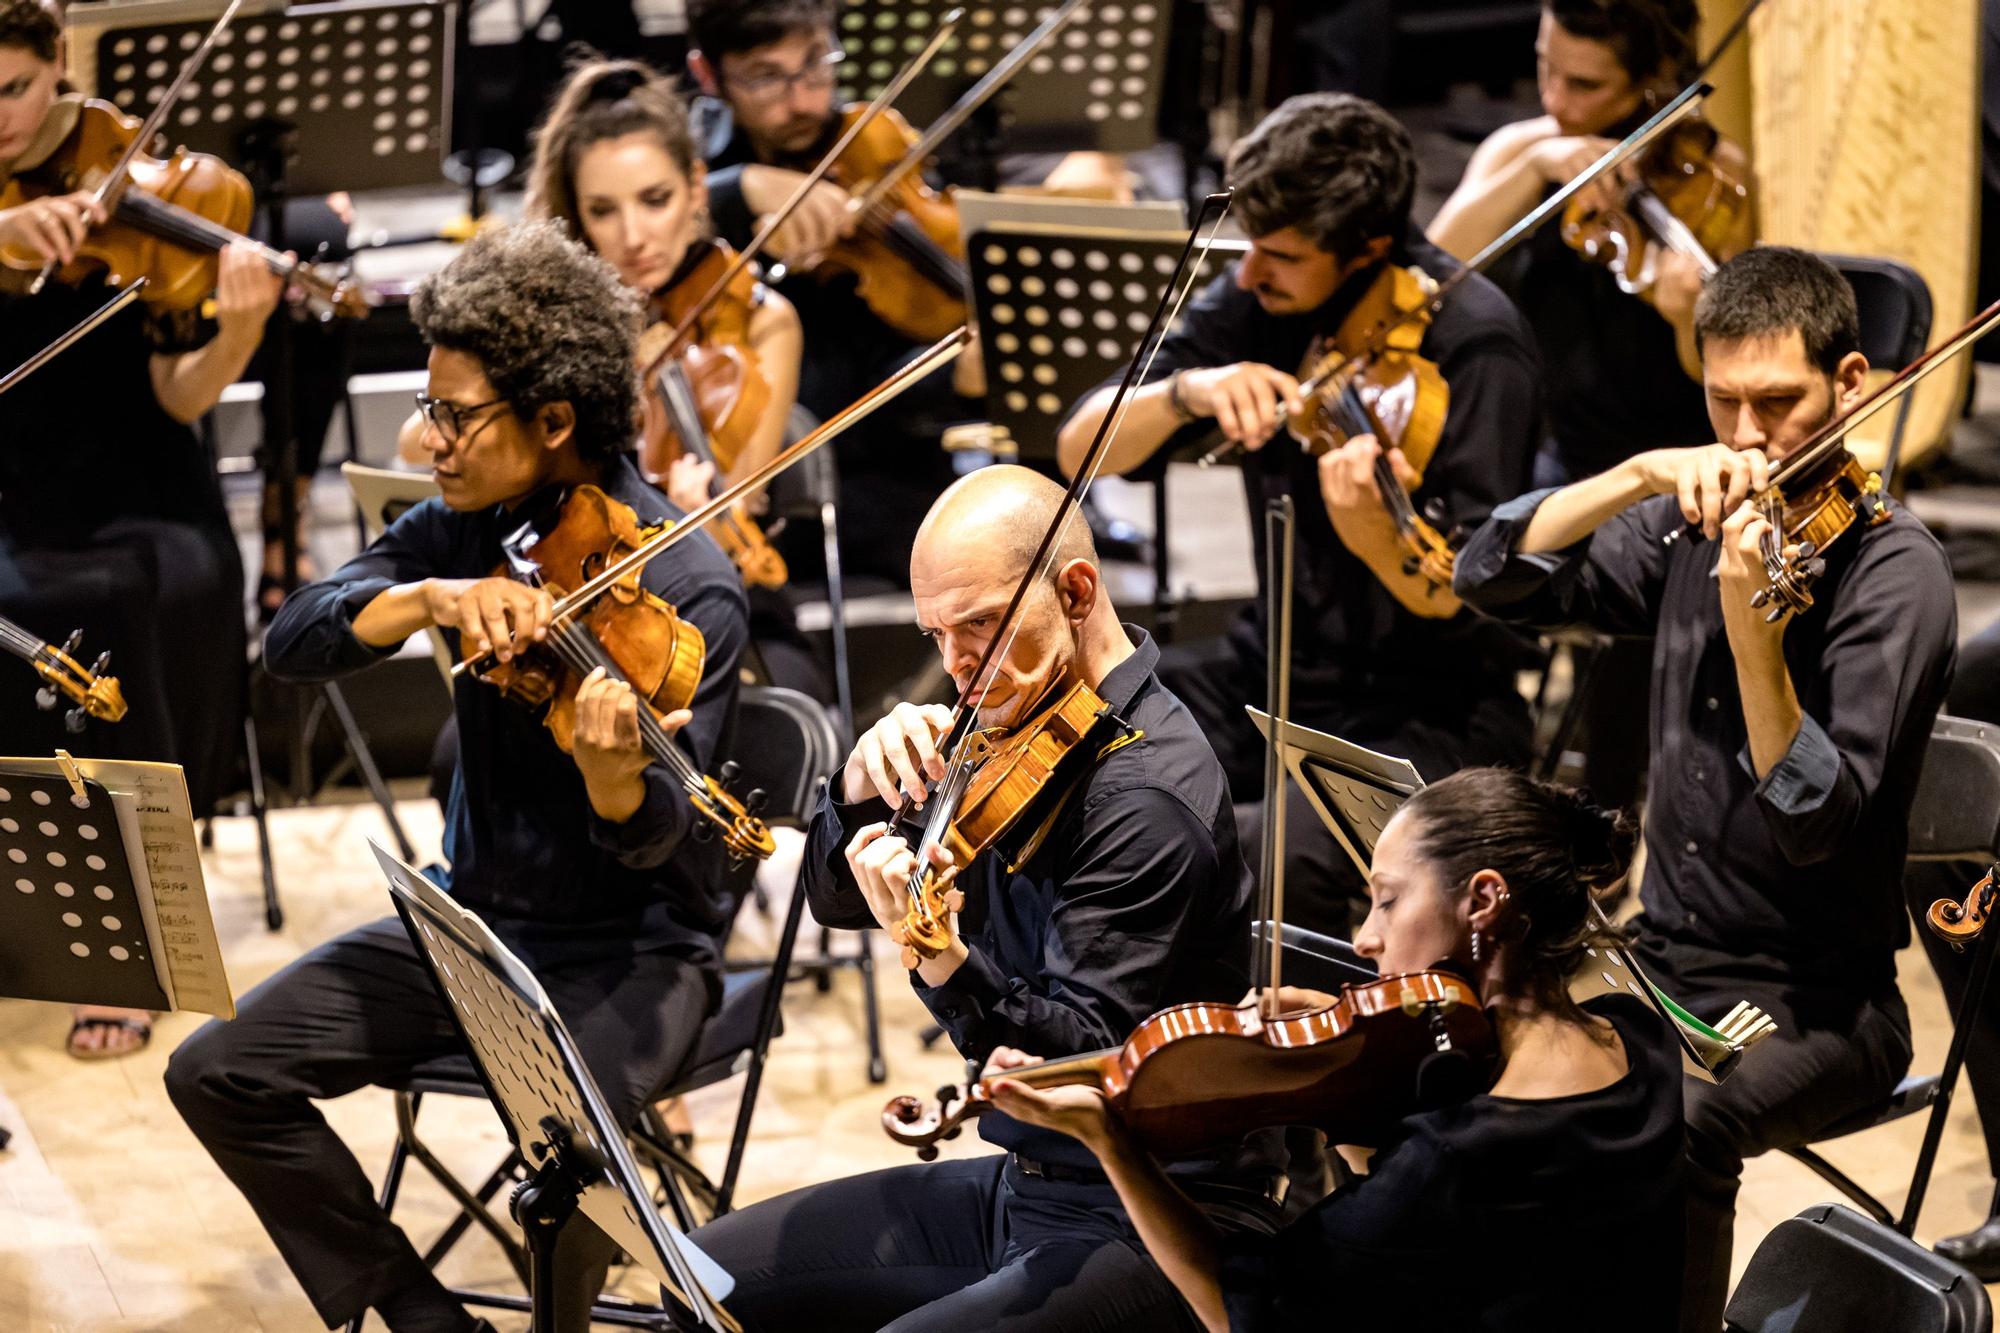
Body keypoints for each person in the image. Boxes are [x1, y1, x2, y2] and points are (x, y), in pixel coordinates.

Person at [165, 222, 748, 1333]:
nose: (424, 436)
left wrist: (614, 775)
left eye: (451, 413)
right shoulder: (470, 528)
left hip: (623, 958)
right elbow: (293, 640)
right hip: (468, 929)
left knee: (571, 1160)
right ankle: (428, 1321)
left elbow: (672, 843)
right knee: (217, 1072)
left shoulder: (684, 584)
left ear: (555, 421)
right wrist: (430, 596)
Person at [1454, 245, 1955, 1331]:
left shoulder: (1892, 572)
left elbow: (1817, 822)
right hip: (1662, 959)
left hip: (1814, 1001)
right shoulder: (1694, 520)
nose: (1744, 437)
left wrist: (1752, 641)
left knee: (1672, 1124)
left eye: (1775, 403)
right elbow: (1488, 574)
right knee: (1464, 1043)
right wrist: (1636, 473)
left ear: (1850, 382)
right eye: (1720, 401)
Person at [687, 464, 1277, 1332]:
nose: (958, 669)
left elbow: (1075, 1066)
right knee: (698, 1277)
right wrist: (856, 787)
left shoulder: (1145, 791)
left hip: (1150, 1209)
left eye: (981, 628)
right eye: (938, 635)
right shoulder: (1005, 713)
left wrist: (940, 956)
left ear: (1077, 590)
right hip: (1025, 1185)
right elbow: (836, 901)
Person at [1056, 92, 1544, 938]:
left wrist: (1372, 536)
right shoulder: (1264, 304)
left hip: (1431, 704)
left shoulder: (1476, 343)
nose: (1248, 274)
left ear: (1371, 250)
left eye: (1278, 255)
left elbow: (1469, 589)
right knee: (1089, 760)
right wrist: (1184, 391)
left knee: (1273, 860)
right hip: (1273, 670)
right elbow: (1079, 447)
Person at [993, 766, 1687, 1331]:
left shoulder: (1448, 1161)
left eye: (1386, 900)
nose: (1364, 938)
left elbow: (1238, 1310)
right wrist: (1359, 1076)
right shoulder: (1638, 1037)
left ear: (1483, 901)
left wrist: (1111, 1140)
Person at [0, 0, 284, 1058]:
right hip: (8, 487)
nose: (0, 121)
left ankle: (133, 916)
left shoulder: (134, 174)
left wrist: (241, 329)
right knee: (44, 597)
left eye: (16, 89)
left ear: (60, 64)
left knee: (165, 585)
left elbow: (179, 395)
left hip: (138, 477)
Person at [1430, 0, 1746, 815]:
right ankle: (1478, 768)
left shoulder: (1715, 180)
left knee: (1644, 576)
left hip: (1669, 456)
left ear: (1652, 81)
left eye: (1586, 84)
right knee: (1472, 541)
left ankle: (1616, 812)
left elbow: (1724, 372)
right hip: (1558, 446)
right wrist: (1541, 167)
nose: (1558, 99)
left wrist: (1687, 315)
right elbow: (1434, 272)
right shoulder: (1527, 147)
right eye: (1546, 69)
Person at [524, 54, 828, 701]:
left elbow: (738, 496)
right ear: (577, 218)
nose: (635, 236)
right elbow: (422, 437)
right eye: (603, 211)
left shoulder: (760, 322)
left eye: (656, 200)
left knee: (789, 713)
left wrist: (689, 517)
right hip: (578, 618)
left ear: (696, 189)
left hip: (725, 602)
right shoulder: (555, 331)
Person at [684, 0, 985, 586]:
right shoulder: (688, 168)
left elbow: (888, 383)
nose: (802, 101)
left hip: (895, 458)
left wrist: (956, 376)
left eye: (815, 65)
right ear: (707, 76)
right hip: (766, 476)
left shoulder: (870, 146)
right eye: (767, 77)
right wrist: (740, 188)